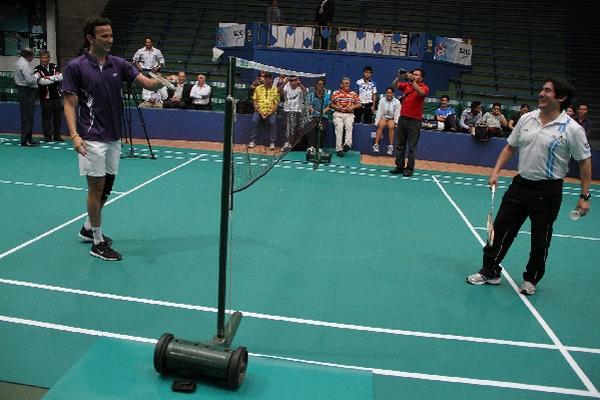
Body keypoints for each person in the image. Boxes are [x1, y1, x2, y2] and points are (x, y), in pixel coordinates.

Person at [466, 78, 592, 296]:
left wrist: (585, 195)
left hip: (548, 191)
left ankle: (531, 279)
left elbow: (584, 161)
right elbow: (509, 147)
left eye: (547, 91)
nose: (541, 94)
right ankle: (490, 271)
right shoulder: (527, 118)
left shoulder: (572, 129)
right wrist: (495, 171)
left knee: (540, 238)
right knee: (500, 229)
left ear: (560, 98)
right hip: (520, 184)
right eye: (542, 90)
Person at [62, 17, 168, 261]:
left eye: (111, 35)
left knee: (107, 186)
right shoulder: (76, 67)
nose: (110, 40)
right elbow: (69, 103)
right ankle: (97, 243)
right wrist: (74, 135)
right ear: (91, 38)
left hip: (113, 136)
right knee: (95, 188)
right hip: (91, 137)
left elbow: (148, 84)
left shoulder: (118, 64)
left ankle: (88, 228)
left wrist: (164, 81)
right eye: (104, 36)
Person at [390, 68, 429, 176]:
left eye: (417, 75)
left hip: (415, 121)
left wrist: (412, 82)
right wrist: (399, 77)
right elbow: (393, 86)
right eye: (413, 74)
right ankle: (399, 166)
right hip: (403, 119)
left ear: (421, 78)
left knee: (412, 147)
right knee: (400, 145)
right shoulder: (407, 85)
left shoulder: (424, 87)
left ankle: (409, 169)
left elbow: (420, 93)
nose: (414, 76)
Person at [33, 50, 64, 141]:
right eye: (42, 58)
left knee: (57, 117)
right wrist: (54, 79)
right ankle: (47, 136)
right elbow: (40, 82)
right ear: (40, 59)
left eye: (46, 57)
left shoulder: (54, 66)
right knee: (47, 117)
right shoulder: (37, 69)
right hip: (45, 97)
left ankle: (57, 135)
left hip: (56, 97)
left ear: (49, 58)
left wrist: (49, 77)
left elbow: (61, 77)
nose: (44, 59)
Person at [14, 48, 41, 146]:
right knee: (27, 116)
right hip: (26, 91)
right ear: (29, 56)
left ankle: (28, 138)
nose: (33, 57)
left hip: (25, 91)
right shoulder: (24, 64)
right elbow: (30, 80)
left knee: (28, 116)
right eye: (33, 55)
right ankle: (25, 140)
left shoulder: (21, 62)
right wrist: (37, 76)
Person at [330, 77, 360, 157]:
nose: (348, 84)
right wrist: (336, 107)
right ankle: (339, 149)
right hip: (338, 114)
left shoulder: (353, 94)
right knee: (339, 128)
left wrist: (353, 107)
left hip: (349, 114)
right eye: (346, 83)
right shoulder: (335, 93)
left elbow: (359, 104)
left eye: (348, 83)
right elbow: (331, 104)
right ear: (341, 84)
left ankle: (347, 144)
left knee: (349, 126)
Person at [249, 72, 280, 149]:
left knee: (273, 122)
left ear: (271, 80)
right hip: (259, 111)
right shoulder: (258, 88)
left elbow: (276, 104)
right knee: (254, 120)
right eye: (265, 78)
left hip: (270, 112)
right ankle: (253, 141)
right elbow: (255, 101)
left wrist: (269, 113)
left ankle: (272, 143)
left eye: (268, 78)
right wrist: (260, 112)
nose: (267, 80)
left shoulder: (275, 90)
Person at [280, 76, 306, 151]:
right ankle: (286, 143)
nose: (293, 82)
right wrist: (284, 82)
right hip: (287, 110)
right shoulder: (286, 87)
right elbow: (279, 92)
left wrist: (300, 84)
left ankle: (292, 143)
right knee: (287, 127)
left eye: (295, 81)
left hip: (297, 111)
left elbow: (306, 92)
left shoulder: (300, 88)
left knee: (294, 127)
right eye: (291, 81)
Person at [306, 78, 331, 156]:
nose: (320, 86)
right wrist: (310, 108)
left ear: (324, 86)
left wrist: (323, 111)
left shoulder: (326, 96)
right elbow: (308, 104)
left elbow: (329, 106)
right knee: (312, 126)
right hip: (313, 115)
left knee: (322, 127)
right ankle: (312, 147)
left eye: (322, 84)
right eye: (319, 84)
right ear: (316, 85)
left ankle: (320, 147)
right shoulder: (311, 94)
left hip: (323, 116)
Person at [373, 87, 400, 155]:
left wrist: (396, 122)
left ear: (393, 94)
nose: (388, 94)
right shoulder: (382, 100)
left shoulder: (397, 102)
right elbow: (379, 111)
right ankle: (376, 145)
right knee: (381, 125)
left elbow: (397, 113)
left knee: (391, 127)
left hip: (392, 118)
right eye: (387, 93)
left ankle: (390, 147)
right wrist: (377, 121)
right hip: (384, 117)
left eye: (390, 93)